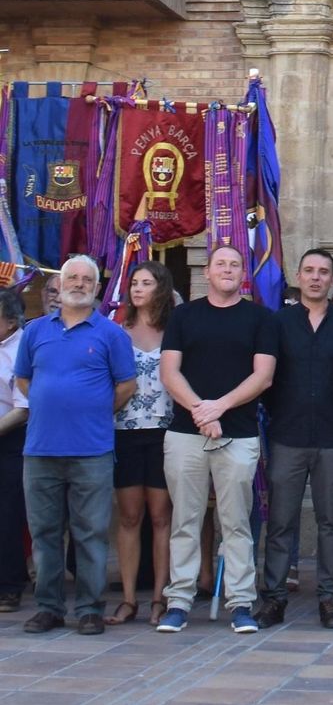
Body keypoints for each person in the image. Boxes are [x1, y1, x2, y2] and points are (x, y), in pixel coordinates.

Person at [156, 246, 279, 635]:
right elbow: (169, 371)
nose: (227, 269)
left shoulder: (260, 318)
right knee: (185, 519)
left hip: (238, 434)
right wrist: (199, 410)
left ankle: (241, 603)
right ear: (206, 272)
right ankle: (178, 602)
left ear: (244, 274)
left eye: (234, 264)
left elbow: (264, 377)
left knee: (237, 522)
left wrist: (218, 409)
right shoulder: (184, 315)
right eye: (220, 264)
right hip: (185, 434)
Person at [17, 255, 136, 635]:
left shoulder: (112, 334)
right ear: (60, 285)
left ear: (97, 289)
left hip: (91, 450)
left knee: (90, 533)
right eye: (73, 278)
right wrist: (53, 405)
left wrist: (93, 411)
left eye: (88, 279)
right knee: (45, 533)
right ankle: (49, 608)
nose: (80, 284)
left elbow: (126, 387)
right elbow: (23, 381)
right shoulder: (35, 331)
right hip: (40, 450)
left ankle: (88, 609)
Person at [255, 249, 333, 630]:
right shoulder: (278, 323)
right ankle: (274, 598)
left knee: (332, 521)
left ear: (332, 279)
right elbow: (264, 376)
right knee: (281, 521)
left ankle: (330, 598)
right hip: (287, 435)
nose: (316, 277)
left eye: (323, 272)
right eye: (309, 271)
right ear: (298, 276)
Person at [107, 261, 175, 627]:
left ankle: (160, 597)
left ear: (160, 288)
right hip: (125, 432)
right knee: (130, 516)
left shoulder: (174, 330)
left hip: (165, 432)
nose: (137, 289)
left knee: (162, 517)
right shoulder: (118, 331)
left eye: (146, 283)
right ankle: (129, 598)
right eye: (134, 283)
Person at [0, 291, 29, 614]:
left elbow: (23, 408)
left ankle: (8, 587)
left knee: (7, 514)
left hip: (12, 437)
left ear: (10, 321)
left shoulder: (22, 346)